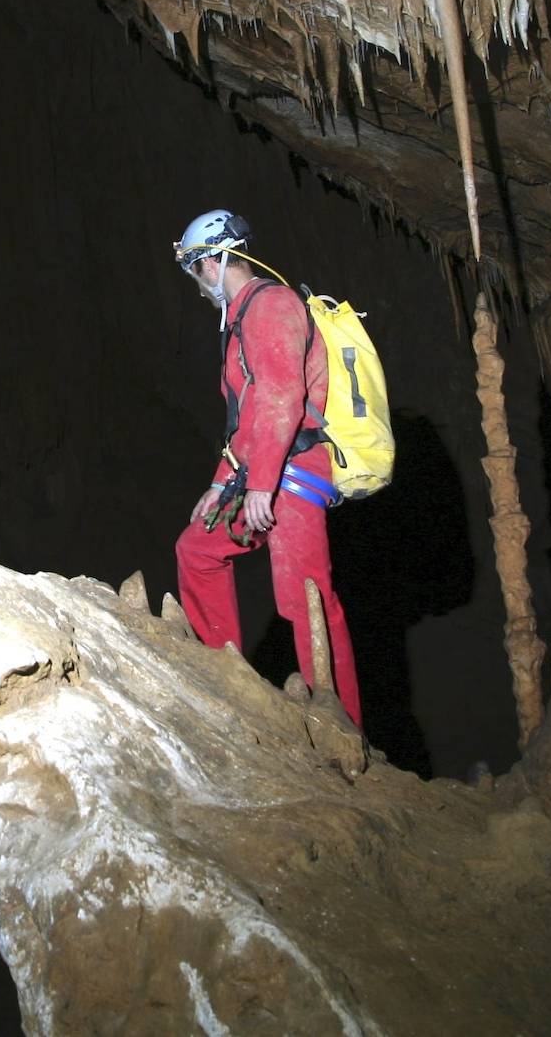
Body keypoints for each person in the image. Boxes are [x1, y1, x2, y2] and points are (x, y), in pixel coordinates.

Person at [172, 209, 362, 728]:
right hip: (262, 473)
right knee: (197, 550)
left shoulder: (272, 304)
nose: (196, 282)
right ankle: (224, 678)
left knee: (305, 596)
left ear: (213, 261)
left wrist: (261, 487)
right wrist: (219, 485)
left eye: (195, 269)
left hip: (294, 472)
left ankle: (341, 724)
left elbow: (281, 397)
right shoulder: (239, 321)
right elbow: (246, 420)